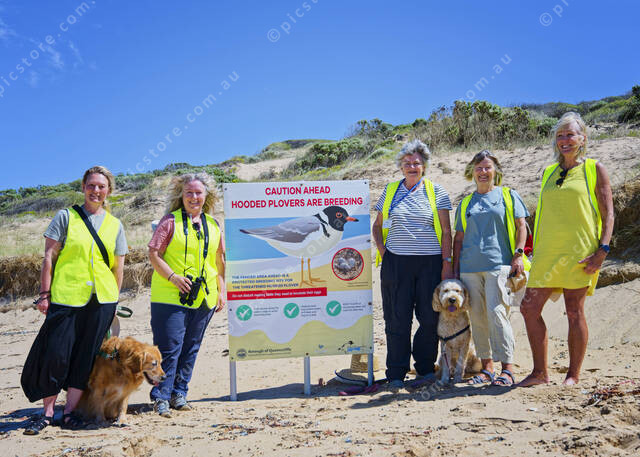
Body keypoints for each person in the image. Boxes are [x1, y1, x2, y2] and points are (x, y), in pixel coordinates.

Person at [21, 166, 127, 434]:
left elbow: (118, 267)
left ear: (108, 191)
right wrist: (44, 294)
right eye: (91, 185)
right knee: (56, 354)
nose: (96, 191)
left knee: (85, 357)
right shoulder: (65, 216)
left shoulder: (115, 225)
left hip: (102, 300)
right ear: (83, 187)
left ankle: (69, 413)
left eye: (101, 186)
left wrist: (114, 300)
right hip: (66, 297)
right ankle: (47, 413)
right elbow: (49, 256)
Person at [519, 112, 614, 387]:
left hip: (579, 251)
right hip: (547, 253)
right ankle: (540, 373)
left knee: (574, 311)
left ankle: (573, 375)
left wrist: (603, 249)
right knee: (528, 308)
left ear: (583, 138)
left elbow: (608, 213)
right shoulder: (549, 172)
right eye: (560, 135)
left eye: (570, 134)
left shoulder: (594, 168)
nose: (564, 140)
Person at [372, 139, 453, 389]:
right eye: (407, 163)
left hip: (430, 264)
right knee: (397, 318)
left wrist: (447, 262)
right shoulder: (390, 191)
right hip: (396, 265)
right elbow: (377, 226)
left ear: (424, 166)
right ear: (401, 166)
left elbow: (447, 232)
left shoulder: (436, 192)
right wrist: (385, 253)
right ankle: (396, 372)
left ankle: (425, 368)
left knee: (429, 318)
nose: (412, 167)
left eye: (416, 163)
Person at [148, 173, 225, 417]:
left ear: (206, 196)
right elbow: (154, 254)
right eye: (188, 192)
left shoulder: (213, 225)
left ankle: (179, 393)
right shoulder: (169, 221)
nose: (193, 197)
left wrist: (221, 290)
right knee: (169, 348)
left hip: (204, 298)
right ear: (181, 196)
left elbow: (219, 260)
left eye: (198, 193)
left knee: (191, 347)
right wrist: (173, 277)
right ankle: (160, 396)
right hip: (169, 297)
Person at [453, 150, 529, 386]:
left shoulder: (508, 196)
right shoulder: (466, 202)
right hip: (469, 268)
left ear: (496, 171)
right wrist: (454, 270)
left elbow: (521, 226)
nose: (483, 172)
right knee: (477, 317)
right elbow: (459, 238)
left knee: (497, 314)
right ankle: (487, 369)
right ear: (472, 172)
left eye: (487, 167)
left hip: (499, 265)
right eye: (479, 168)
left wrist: (518, 254)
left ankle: (508, 368)